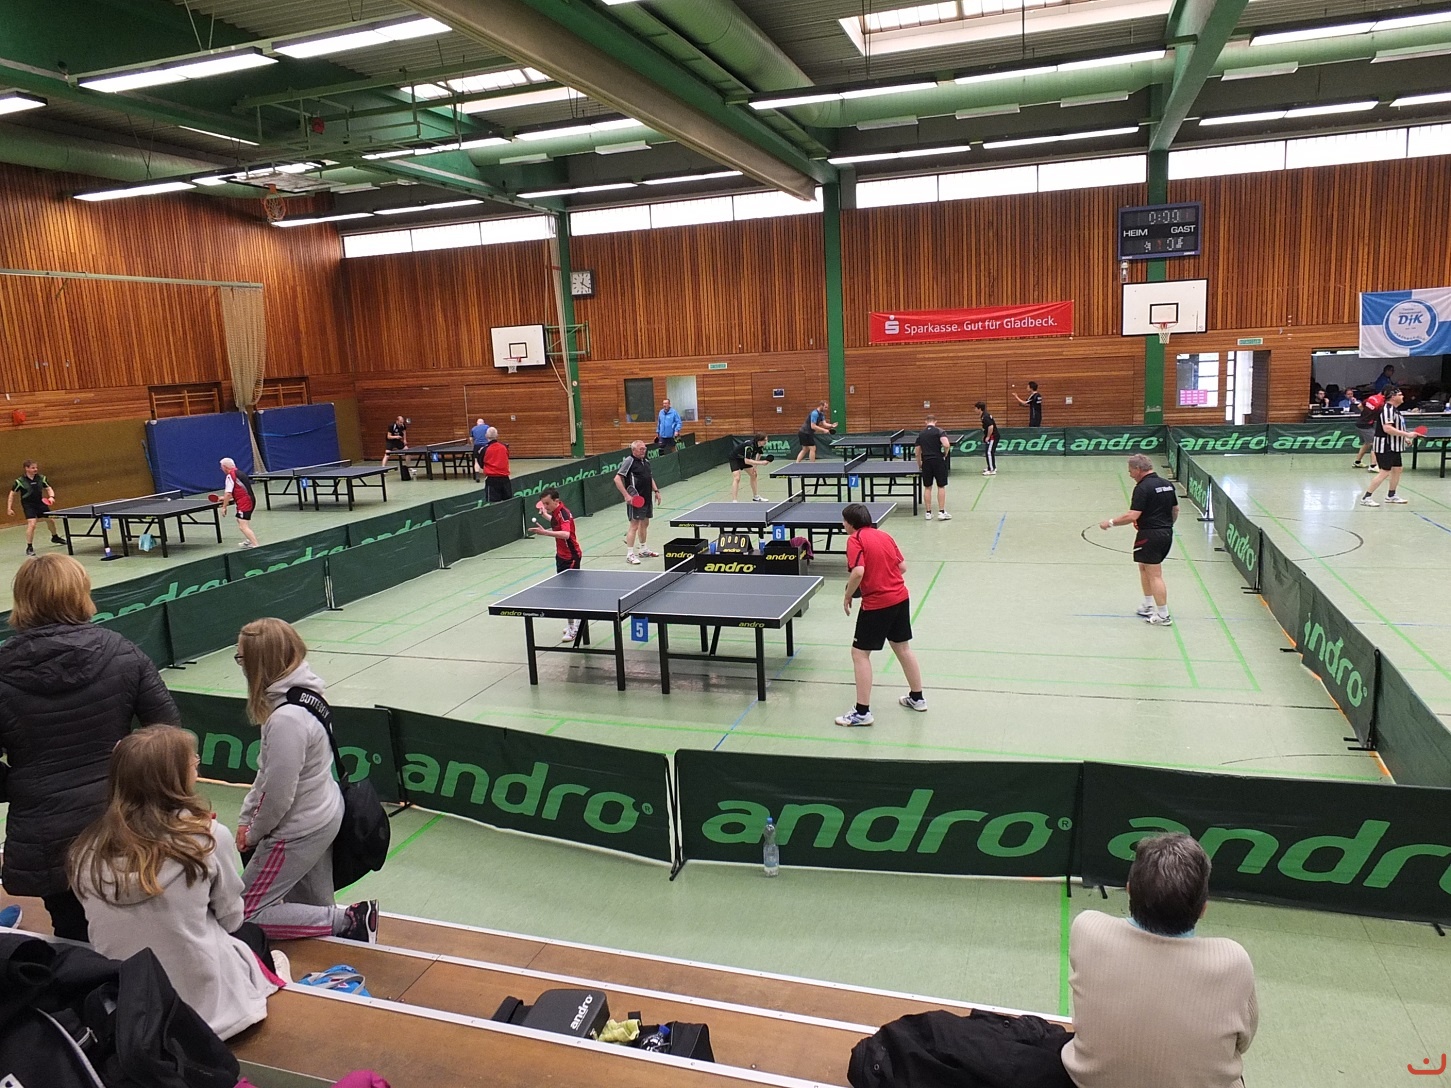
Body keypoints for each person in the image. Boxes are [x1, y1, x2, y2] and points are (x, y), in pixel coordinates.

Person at [0, 554, 179, 940]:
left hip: (48, 836)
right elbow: (168, 736)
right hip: (123, 823)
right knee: (137, 932)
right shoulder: (122, 651)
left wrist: (17, 784)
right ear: (80, 594)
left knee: (73, 938)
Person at [69, 726, 280, 1040]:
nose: (197, 766)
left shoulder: (84, 852)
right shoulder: (209, 839)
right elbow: (232, 919)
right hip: (210, 1014)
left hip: (129, 1006)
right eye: (192, 763)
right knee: (253, 937)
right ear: (173, 779)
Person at [1060, 833, 1257, 1088]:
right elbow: (1243, 1041)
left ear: (1129, 890)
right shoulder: (1234, 962)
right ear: (1203, 909)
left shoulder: (1087, 929)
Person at [234, 618, 377, 944]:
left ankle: (350, 921)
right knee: (312, 907)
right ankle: (345, 933)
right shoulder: (304, 694)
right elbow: (268, 773)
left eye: (242, 658)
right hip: (322, 813)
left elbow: (277, 793)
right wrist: (246, 818)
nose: (240, 665)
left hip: (298, 828)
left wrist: (253, 832)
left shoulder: (287, 719)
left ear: (259, 661)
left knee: (241, 915)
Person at [836, 503, 927, 727]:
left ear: (851, 523)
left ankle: (862, 712)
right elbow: (902, 567)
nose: (843, 524)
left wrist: (848, 595)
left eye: (844, 521)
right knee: (902, 648)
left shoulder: (855, 540)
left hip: (877, 604)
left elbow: (858, 571)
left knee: (859, 654)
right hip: (900, 598)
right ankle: (917, 698)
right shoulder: (884, 536)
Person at [1099, 454, 1178, 626]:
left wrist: (1110, 523)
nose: (1130, 475)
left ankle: (1163, 615)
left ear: (1138, 469)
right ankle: (1148, 605)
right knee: (1144, 568)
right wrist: (1166, 526)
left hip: (1150, 535)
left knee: (1155, 575)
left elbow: (1132, 516)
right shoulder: (1167, 484)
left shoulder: (1142, 488)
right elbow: (1175, 510)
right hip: (1166, 533)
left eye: (1130, 471)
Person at [529, 488, 583, 642]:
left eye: (547, 504)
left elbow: (566, 534)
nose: (545, 506)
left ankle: (573, 628)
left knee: (569, 594)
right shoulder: (557, 512)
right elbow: (556, 522)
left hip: (571, 557)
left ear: (556, 501)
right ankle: (574, 622)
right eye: (543, 504)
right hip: (561, 556)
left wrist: (545, 533)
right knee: (566, 592)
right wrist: (544, 515)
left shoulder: (564, 513)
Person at [1361, 386, 1418, 507]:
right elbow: (1387, 429)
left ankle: (1391, 495)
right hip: (1385, 445)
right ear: (1393, 397)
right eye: (1400, 394)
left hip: (1395, 445)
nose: (1403, 396)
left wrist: (1404, 438)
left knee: (1397, 469)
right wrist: (1407, 434)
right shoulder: (1387, 410)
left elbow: (1396, 427)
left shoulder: (1395, 410)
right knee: (1385, 471)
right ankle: (1366, 497)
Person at [615, 440, 662, 565]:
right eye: (641, 449)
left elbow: (649, 477)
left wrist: (656, 491)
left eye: (644, 448)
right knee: (634, 526)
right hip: (635, 500)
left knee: (645, 523)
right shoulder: (629, 461)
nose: (643, 451)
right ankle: (630, 554)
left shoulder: (646, 461)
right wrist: (626, 495)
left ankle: (643, 549)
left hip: (647, 498)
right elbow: (617, 479)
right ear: (634, 450)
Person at [8, 459, 65, 556]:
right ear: (26, 468)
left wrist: (51, 497)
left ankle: (55, 537)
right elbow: (12, 494)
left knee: (51, 521)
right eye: (33, 468)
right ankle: (29, 547)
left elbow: (48, 488)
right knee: (32, 524)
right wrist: (9, 508)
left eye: (36, 467)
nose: (35, 469)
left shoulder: (41, 478)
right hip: (28, 505)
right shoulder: (20, 481)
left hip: (40, 503)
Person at [915, 414, 951, 521]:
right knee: (941, 486)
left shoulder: (921, 434)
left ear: (925, 421)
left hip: (926, 461)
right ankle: (941, 512)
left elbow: (917, 452)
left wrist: (919, 464)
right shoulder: (940, 431)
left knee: (927, 487)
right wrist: (945, 453)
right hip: (938, 461)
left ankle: (928, 513)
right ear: (935, 421)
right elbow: (946, 444)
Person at [218, 457, 259, 550]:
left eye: (221, 467)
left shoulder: (230, 476)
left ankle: (255, 545)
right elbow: (240, 490)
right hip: (250, 500)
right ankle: (249, 540)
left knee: (243, 526)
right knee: (240, 520)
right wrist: (224, 498)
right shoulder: (239, 473)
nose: (221, 469)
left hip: (245, 502)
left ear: (225, 467)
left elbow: (228, 493)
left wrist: (224, 507)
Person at [729, 432, 771, 502]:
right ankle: (734, 501)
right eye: (765, 440)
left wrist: (755, 467)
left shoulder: (760, 445)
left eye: (766, 440)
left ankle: (756, 497)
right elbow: (747, 461)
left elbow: (759, 454)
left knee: (754, 475)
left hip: (744, 458)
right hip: (735, 458)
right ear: (759, 440)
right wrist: (761, 463)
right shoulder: (750, 446)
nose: (766, 442)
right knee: (737, 478)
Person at [480, 426, 512, 503]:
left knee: (494, 503)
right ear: (497, 435)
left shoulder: (484, 449)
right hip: (505, 479)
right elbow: (506, 457)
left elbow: (481, 463)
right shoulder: (504, 447)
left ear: (486, 436)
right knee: (508, 503)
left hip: (492, 480)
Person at [1352, 393, 1383, 470]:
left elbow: (1359, 406)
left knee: (1367, 443)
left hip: (1361, 423)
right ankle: (1373, 466)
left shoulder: (1371, 398)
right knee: (1375, 443)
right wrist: (1369, 417)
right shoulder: (1381, 402)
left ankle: (1357, 462)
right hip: (1365, 425)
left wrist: (1366, 415)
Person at [976, 400, 999, 476]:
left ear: (979, 409)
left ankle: (991, 470)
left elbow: (991, 426)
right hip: (992, 436)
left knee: (989, 452)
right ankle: (992, 467)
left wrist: (988, 436)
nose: (975, 410)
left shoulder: (985, 417)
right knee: (990, 452)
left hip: (992, 437)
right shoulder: (984, 416)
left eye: (976, 408)